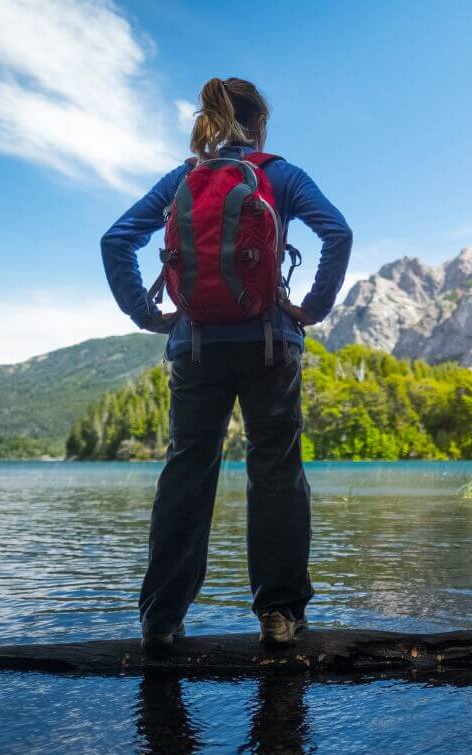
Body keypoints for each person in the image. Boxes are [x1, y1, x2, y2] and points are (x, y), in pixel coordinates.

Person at [101, 77, 352, 652]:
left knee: (187, 474)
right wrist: (310, 307)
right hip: (270, 345)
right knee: (276, 473)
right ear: (259, 124)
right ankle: (280, 616)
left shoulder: (183, 178)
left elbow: (116, 241)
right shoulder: (281, 174)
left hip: (194, 346)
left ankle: (160, 619)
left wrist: (147, 313)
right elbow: (337, 232)